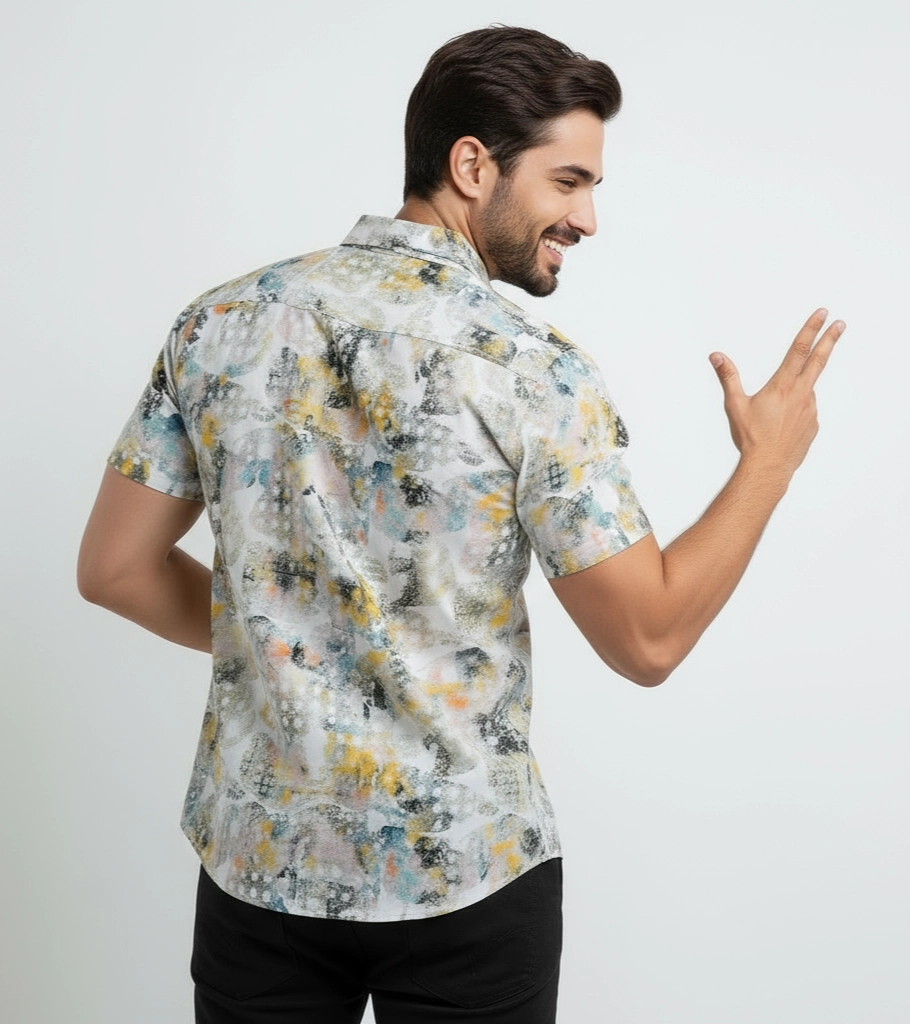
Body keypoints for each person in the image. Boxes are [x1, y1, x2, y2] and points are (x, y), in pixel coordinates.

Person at [77, 24, 844, 1025]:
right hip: (466, 882)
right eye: (568, 182)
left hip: (258, 868)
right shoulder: (529, 370)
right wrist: (769, 463)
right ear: (472, 165)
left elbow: (116, 568)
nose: (589, 217)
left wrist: (291, 635)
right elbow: (648, 637)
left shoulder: (220, 324)